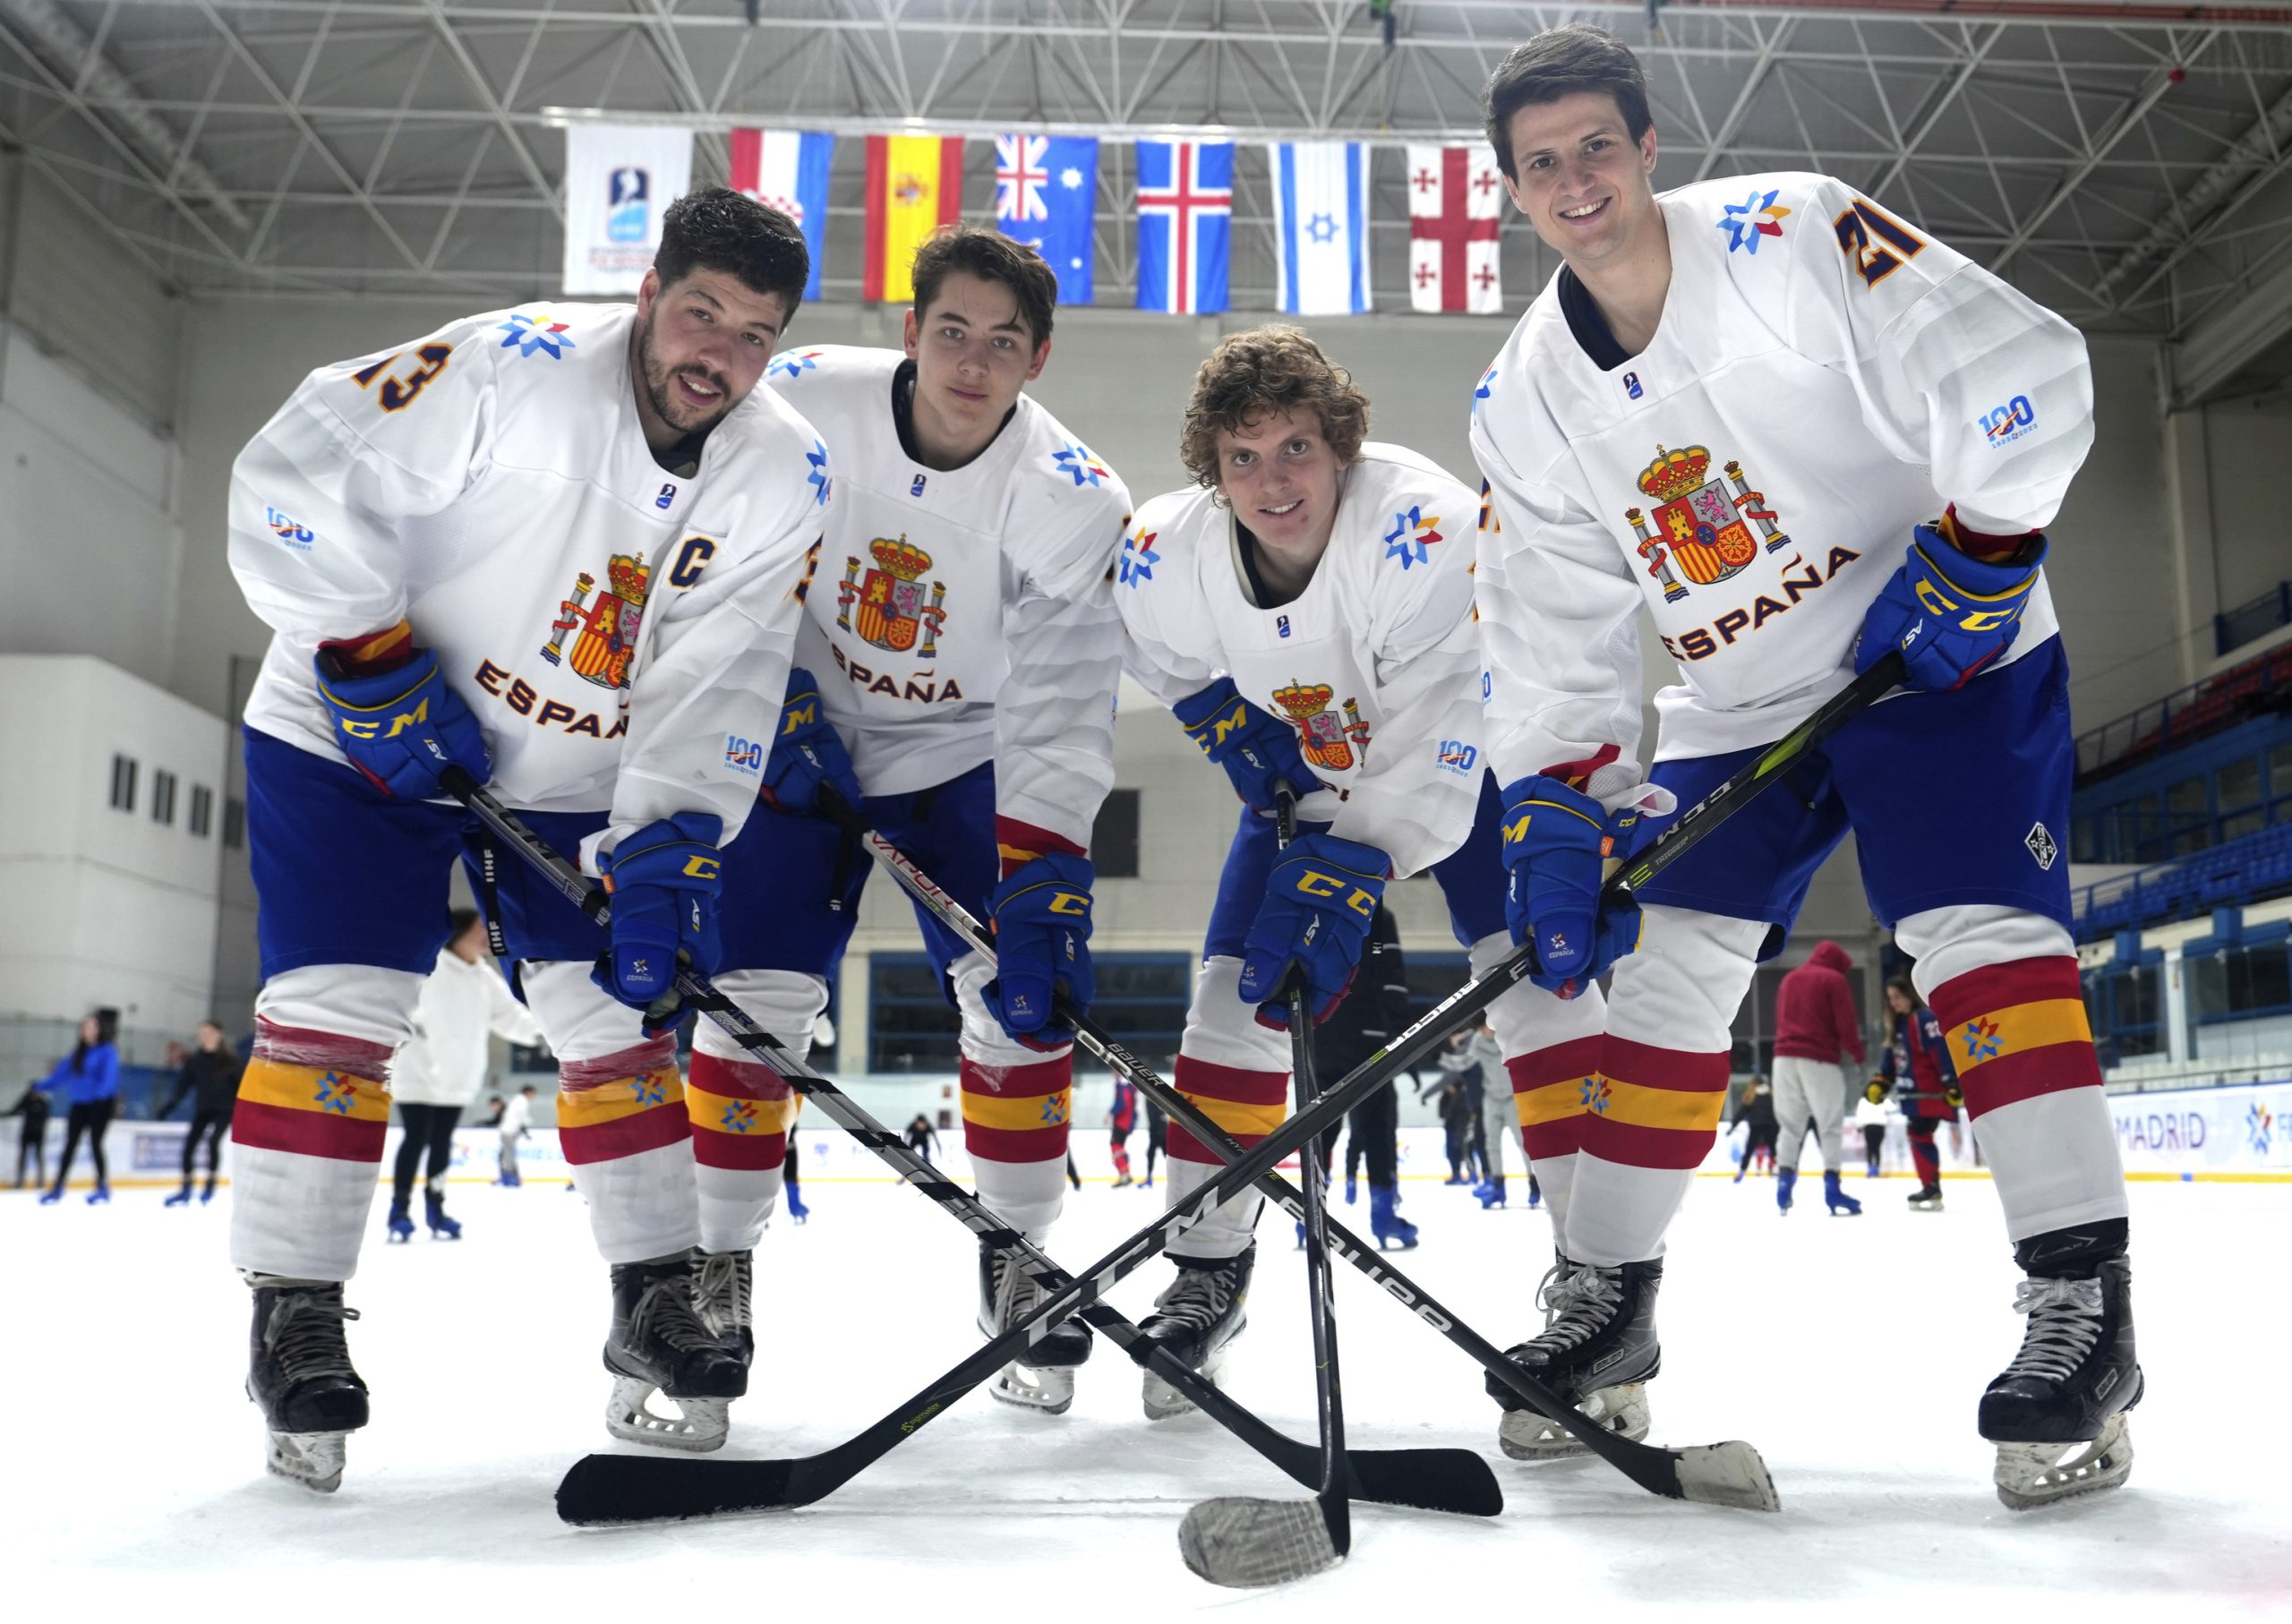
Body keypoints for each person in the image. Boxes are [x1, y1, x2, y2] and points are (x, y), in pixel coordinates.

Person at [1472, 22, 2137, 1504]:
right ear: (1515, 193)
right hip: (1738, 694)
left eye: (1597, 147)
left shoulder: (1794, 229)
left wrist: (1983, 540)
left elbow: (2016, 358)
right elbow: (1554, 626)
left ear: (1650, 149)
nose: (1575, 181)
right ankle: (1605, 1293)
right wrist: (1561, 797)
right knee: (1667, 973)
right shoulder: (1523, 398)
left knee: (1979, 943)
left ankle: (2084, 1303)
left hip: (1939, 636)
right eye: (1542, 164)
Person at [221, 186, 827, 1491]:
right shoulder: (513, 366)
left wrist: (672, 837)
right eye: (702, 310)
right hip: (354, 723)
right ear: (652, 288)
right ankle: (298, 1313)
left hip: (573, 770)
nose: (716, 352)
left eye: (755, 333)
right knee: (338, 1009)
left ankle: (655, 1295)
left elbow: (723, 672)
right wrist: (366, 651)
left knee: (621, 1018)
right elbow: (294, 467)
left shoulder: (783, 467)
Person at [1116, 324, 1604, 1422]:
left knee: (1543, 995)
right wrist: (1216, 718)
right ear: (1210, 468)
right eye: (1240, 458)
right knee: (1226, 1009)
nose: (1270, 481)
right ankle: (1208, 1268)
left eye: (1294, 448)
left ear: (1339, 445)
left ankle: (1599, 1283)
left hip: (1469, 763)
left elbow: (1445, 717)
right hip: (1312, 783)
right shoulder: (1167, 550)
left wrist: (1357, 861)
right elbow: (1158, 651)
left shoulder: (1421, 521)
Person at [710, 227, 1130, 1416]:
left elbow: (1063, 695)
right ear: (910, 329)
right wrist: (757, 686)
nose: (972, 360)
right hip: (795, 733)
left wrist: (1049, 859)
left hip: (964, 753)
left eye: (1004, 342)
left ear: (1037, 358)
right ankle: (714, 1263)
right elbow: (717, 556)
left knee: (1021, 989)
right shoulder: (798, 404)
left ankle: (1022, 1255)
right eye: (952, 330)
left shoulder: (1073, 498)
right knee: (752, 1003)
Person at [388, 909, 546, 1241]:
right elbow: (398, 1003)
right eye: (479, 928)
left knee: (442, 1143)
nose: (487, 934)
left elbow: (510, 1017)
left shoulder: (484, 977)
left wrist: (547, 1032)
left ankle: (436, 1207)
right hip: (418, 1071)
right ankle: (399, 1209)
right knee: (416, 1139)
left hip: (458, 1075)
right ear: (457, 931)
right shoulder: (430, 965)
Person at [1771, 941, 1866, 1217]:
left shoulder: (1790, 979)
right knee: (1830, 1127)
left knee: (1789, 1127)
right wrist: (1858, 1056)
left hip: (1783, 1059)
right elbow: (1845, 1024)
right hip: (1819, 1060)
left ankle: (1784, 1187)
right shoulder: (1833, 980)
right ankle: (1833, 1189)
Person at [1876, 974, 1963, 1210]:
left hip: (1929, 1094)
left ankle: (1931, 1188)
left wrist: (1951, 1083)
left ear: (1909, 994)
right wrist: (1880, 1082)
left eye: (1898, 996)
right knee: (1918, 1135)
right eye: (1890, 998)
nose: (1894, 1002)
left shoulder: (1924, 1019)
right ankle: (1931, 1187)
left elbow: (1940, 1052)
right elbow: (1892, 1061)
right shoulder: (1898, 1025)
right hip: (1914, 1096)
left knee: (1919, 1134)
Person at [36, 1011, 121, 1205]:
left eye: (92, 1026)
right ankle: (58, 1187)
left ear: (99, 1029)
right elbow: (60, 1076)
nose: (88, 1030)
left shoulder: (107, 1050)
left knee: (95, 1143)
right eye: (85, 1026)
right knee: (69, 1145)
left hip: (100, 1104)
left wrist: (101, 1095)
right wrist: (40, 1085)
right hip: (80, 1104)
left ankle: (102, 1187)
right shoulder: (77, 1053)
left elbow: (110, 1077)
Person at [159, 1020, 245, 1206]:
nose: (204, 1036)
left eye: (208, 1032)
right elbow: (183, 1085)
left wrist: (244, 1113)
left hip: (225, 1109)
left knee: (213, 1141)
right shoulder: (195, 1060)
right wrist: (170, 1105)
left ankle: (210, 1184)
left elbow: (241, 1088)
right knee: (189, 1146)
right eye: (202, 1033)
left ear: (218, 1034)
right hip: (204, 1108)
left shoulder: (231, 1061)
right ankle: (186, 1189)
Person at [7, 1078, 51, 1190]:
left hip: (38, 1134)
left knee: (38, 1157)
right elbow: (14, 1110)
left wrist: (38, 1128)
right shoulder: (26, 1100)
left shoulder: (43, 1102)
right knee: (23, 1157)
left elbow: (45, 1118)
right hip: (27, 1133)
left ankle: (40, 1181)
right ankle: (20, 1181)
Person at [495, 1084, 536, 1188]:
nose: (534, 1096)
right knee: (509, 1154)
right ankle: (507, 1177)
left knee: (507, 1153)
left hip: (508, 1131)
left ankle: (508, 1175)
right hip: (508, 1132)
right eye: (533, 1094)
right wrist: (526, 1128)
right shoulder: (522, 1102)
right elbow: (522, 1118)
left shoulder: (517, 1100)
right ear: (528, 1093)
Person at [1854, 1083, 1891, 1180]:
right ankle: (1875, 1169)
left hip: (1871, 1126)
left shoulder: (1864, 1100)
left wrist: (1859, 1125)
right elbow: (1892, 1107)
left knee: (1871, 1148)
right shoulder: (1881, 1098)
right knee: (1875, 1148)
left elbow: (1859, 1113)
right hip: (1878, 1125)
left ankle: (1872, 1169)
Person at [1107, 1077, 1138, 1187]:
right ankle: (1125, 1174)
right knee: (1118, 1147)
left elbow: (1122, 1103)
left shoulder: (1123, 1085)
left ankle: (1124, 1175)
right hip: (1125, 1122)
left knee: (1116, 1147)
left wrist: (1110, 1113)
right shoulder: (1129, 1087)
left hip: (1122, 1122)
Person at [1142, 1092, 1167, 1190]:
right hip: (1158, 1131)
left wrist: (1159, 1132)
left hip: (1158, 1132)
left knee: (1152, 1154)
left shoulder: (1154, 1101)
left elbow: (1158, 1118)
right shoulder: (1152, 1100)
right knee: (1152, 1154)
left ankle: (1149, 1178)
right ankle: (1149, 1178)